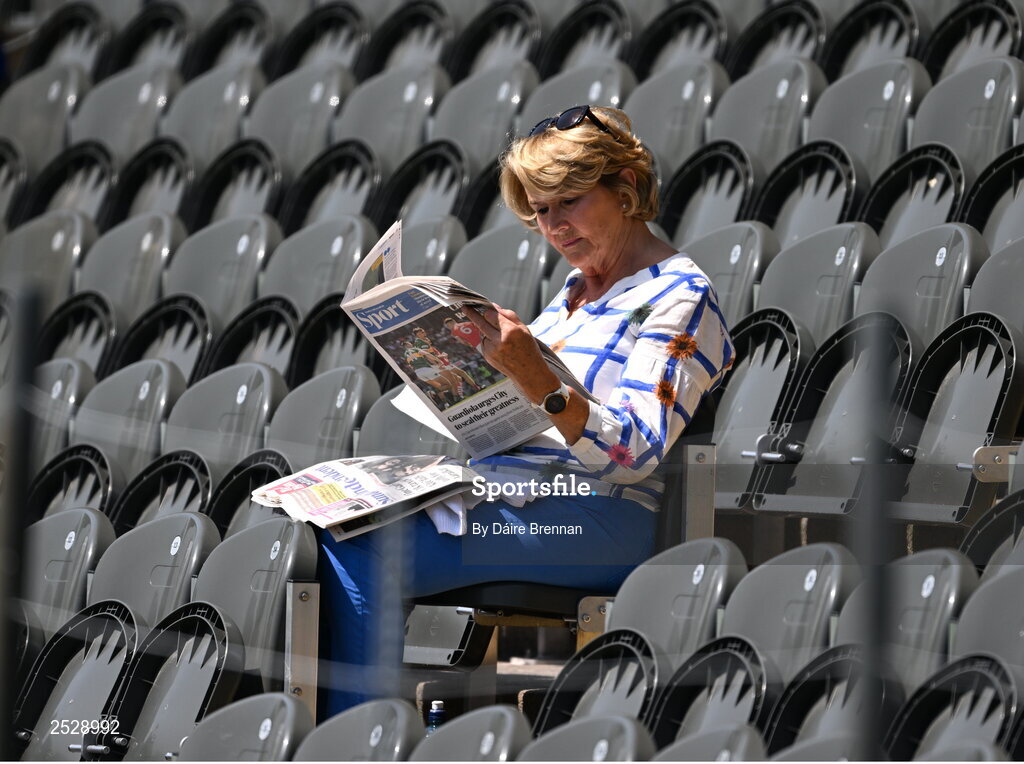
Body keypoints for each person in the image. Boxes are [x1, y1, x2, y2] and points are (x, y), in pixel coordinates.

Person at [318, 105, 734, 716]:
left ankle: (354, 744)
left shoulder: (680, 295)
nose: (554, 226)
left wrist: (537, 379)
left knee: (359, 547)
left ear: (625, 190)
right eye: (540, 211)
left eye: (567, 200)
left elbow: (637, 451)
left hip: (602, 516)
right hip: (520, 498)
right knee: (325, 523)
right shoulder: (571, 296)